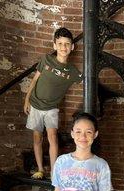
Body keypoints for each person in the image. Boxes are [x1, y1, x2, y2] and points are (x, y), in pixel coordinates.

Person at [24, 27, 83, 179]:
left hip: (51, 109)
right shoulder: (46, 60)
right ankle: (40, 169)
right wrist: (26, 99)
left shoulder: (73, 71)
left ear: (72, 47)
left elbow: (85, 81)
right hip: (35, 105)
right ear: (55, 45)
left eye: (67, 44)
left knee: (52, 137)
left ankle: (53, 171)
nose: (64, 47)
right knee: (37, 138)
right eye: (60, 43)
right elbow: (34, 80)